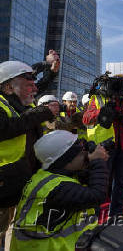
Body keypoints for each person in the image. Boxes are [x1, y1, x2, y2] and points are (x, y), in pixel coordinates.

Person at [10, 130, 109, 250]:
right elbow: (97, 195)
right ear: (66, 160)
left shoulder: (48, 176)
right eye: (81, 153)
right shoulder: (57, 188)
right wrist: (98, 162)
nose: (86, 155)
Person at [0, 51, 59, 249]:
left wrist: (50, 72)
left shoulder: (18, 103)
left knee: (14, 231)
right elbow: (6, 128)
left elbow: (35, 86)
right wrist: (42, 112)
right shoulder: (5, 105)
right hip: (3, 185)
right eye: (29, 85)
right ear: (9, 87)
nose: (35, 89)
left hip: (18, 181)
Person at [82, 74, 123, 217]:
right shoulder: (98, 98)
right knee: (100, 182)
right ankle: (93, 216)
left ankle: (116, 214)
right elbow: (86, 119)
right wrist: (101, 112)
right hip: (104, 147)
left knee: (121, 182)